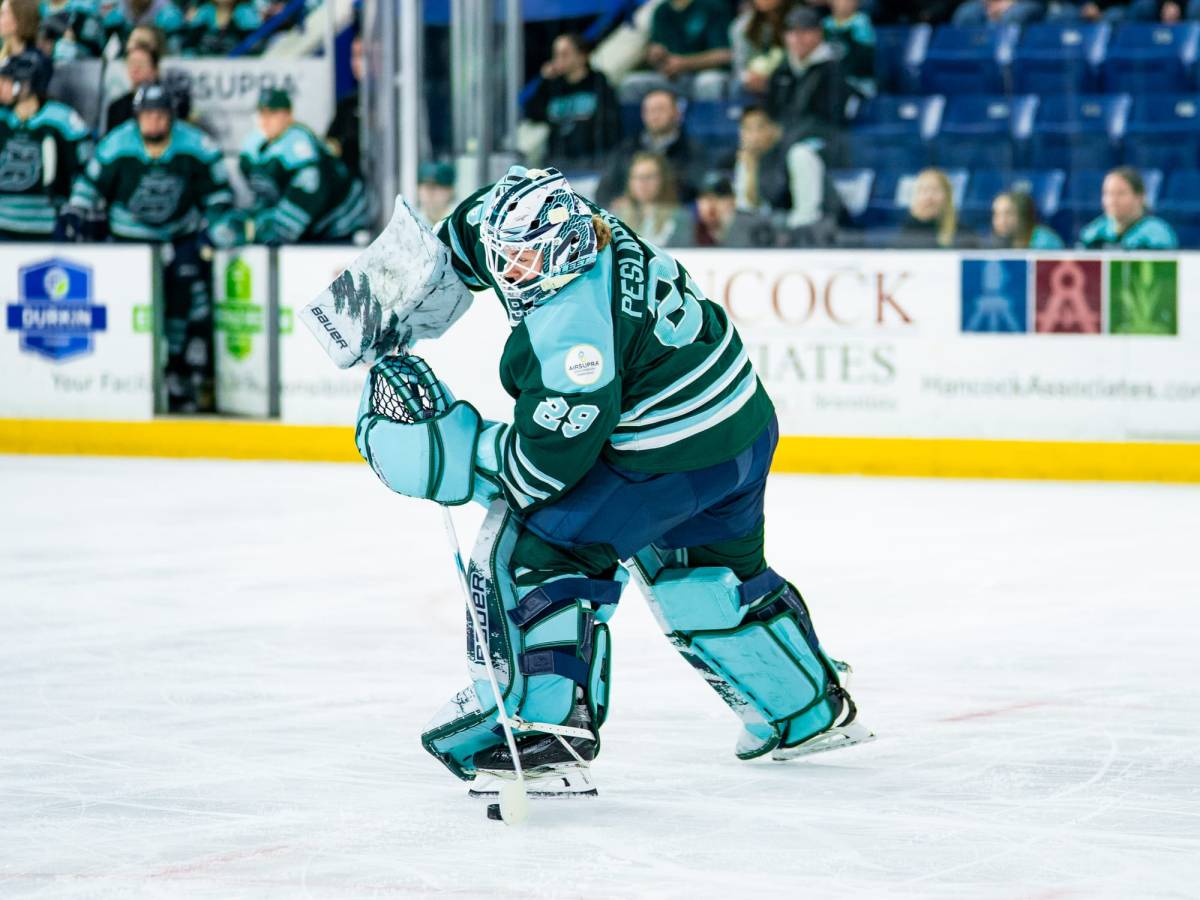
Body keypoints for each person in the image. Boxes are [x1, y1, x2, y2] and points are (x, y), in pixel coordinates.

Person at [356, 165, 872, 796]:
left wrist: (443, 453)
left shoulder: (577, 337)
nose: (511, 273)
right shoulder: (550, 222)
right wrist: (383, 297)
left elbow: (542, 468)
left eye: (524, 261)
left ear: (562, 248)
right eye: (505, 259)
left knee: (538, 550)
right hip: (741, 428)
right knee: (708, 578)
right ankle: (805, 711)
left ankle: (545, 732)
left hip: (670, 457)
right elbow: (463, 239)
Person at [61, 83, 239, 411]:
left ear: (170, 116)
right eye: (147, 115)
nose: (153, 122)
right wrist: (76, 210)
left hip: (179, 236)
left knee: (185, 306)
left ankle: (178, 373)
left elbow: (219, 196)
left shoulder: (196, 145)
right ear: (137, 117)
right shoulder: (117, 144)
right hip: (130, 242)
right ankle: (129, 375)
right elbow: (90, 186)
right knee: (132, 312)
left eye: (159, 115)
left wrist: (213, 230)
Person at [239, 87, 368, 245]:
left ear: (288, 115)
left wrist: (265, 231)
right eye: (262, 114)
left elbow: (308, 197)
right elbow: (265, 196)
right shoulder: (255, 146)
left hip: (342, 222)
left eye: (273, 114)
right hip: (316, 227)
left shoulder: (300, 145)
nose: (266, 120)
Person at [0, 49, 90, 239]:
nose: (1, 85)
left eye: (6, 80)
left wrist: (76, 204)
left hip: (46, 223)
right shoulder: (3, 118)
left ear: (26, 83)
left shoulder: (62, 119)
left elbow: (86, 167)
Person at [766, 7, 851, 165]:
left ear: (819, 34)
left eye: (804, 32)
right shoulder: (782, 70)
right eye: (792, 33)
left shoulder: (833, 70)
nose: (798, 39)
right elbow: (770, 110)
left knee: (799, 155)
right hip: (784, 138)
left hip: (819, 142)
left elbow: (831, 118)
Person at [524, 32, 621, 170]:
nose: (558, 59)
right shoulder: (553, 85)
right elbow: (531, 111)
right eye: (555, 54)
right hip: (557, 159)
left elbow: (610, 121)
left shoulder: (598, 82)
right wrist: (544, 80)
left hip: (592, 159)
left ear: (582, 56)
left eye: (565, 54)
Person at [594, 87, 705, 206]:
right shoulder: (626, 148)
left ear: (677, 113)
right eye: (650, 110)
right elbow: (604, 190)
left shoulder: (692, 149)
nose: (655, 115)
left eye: (660, 109)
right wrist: (614, 203)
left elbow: (695, 187)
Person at [642, 0, 734, 100]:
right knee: (632, 85)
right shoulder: (661, 10)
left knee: (707, 82)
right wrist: (654, 56)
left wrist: (685, 63)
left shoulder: (713, 6)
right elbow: (655, 49)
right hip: (675, 78)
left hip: (709, 74)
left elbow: (726, 54)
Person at [1078, 167, 1178, 250]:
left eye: (1120, 193)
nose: (1112, 200)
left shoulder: (1157, 235)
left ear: (1140, 197)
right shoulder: (1094, 233)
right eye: (1107, 193)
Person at [608, 151, 692, 248]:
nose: (642, 183)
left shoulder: (680, 217)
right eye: (637, 177)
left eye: (649, 177)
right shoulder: (617, 216)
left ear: (663, 180)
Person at [897, 168, 975, 248]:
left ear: (947, 196)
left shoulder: (963, 233)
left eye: (935, 190)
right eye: (923, 190)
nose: (929, 197)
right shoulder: (906, 232)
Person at [731, 0, 793, 96]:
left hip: (789, 78)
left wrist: (772, 81)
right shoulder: (742, 25)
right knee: (739, 85)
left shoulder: (798, 20)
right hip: (755, 80)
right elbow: (740, 66)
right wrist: (747, 77)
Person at [325, 33, 363, 179]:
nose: (357, 62)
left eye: (362, 55)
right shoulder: (347, 104)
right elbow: (330, 143)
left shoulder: (397, 101)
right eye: (355, 56)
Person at [823, 0, 876, 99]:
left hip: (857, 79)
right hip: (832, 80)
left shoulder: (862, 22)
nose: (843, 3)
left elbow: (865, 56)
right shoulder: (825, 23)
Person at [103, 41, 157, 132]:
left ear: (154, 69)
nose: (135, 68)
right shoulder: (116, 106)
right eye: (132, 63)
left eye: (141, 63)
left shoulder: (165, 104)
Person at [182, 0, 260, 56]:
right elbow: (190, 43)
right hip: (205, 62)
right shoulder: (205, 11)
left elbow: (254, 45)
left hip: (236, 64)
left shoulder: (244, 11)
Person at [990, 190, 1063, 250]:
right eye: (996, 214)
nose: (1001, 221)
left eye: (1009, 213)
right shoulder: (995, 243)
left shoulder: (1045, 242)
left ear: (1023, 215)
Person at [692, 170, 737, 245]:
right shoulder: (688, 233)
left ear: (732, 202)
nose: (711, 205)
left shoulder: (745, 233)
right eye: (706, 198)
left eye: (719, 198)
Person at [415, 159, 454, 227]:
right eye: (425, 186)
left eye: (434, 187)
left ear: (450, 190)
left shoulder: (461, 226)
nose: (429, 193)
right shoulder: (411, 223)